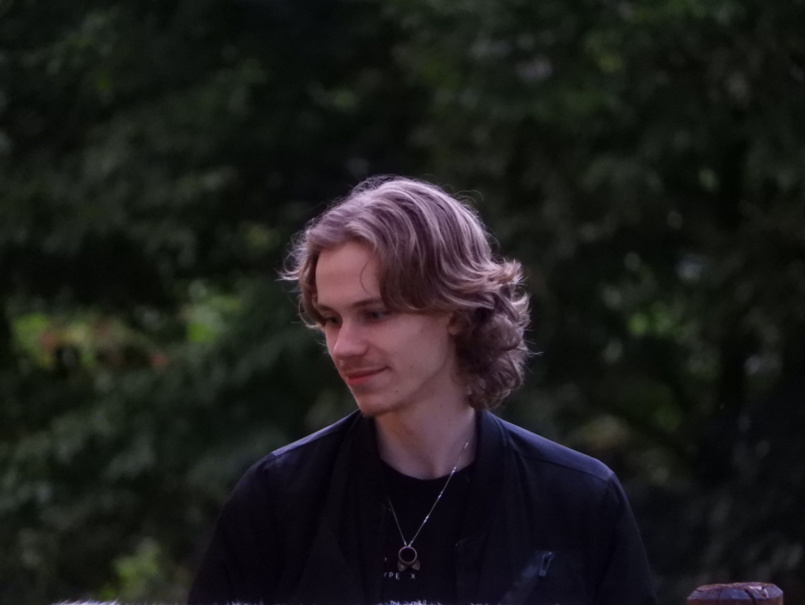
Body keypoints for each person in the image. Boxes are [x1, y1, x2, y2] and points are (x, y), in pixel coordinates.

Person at [187, 176, 657, 605]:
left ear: (454, 312)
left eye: (375, 313)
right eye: (331, 319)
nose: (344, 347)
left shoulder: (578, 500)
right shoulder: (279, 499)